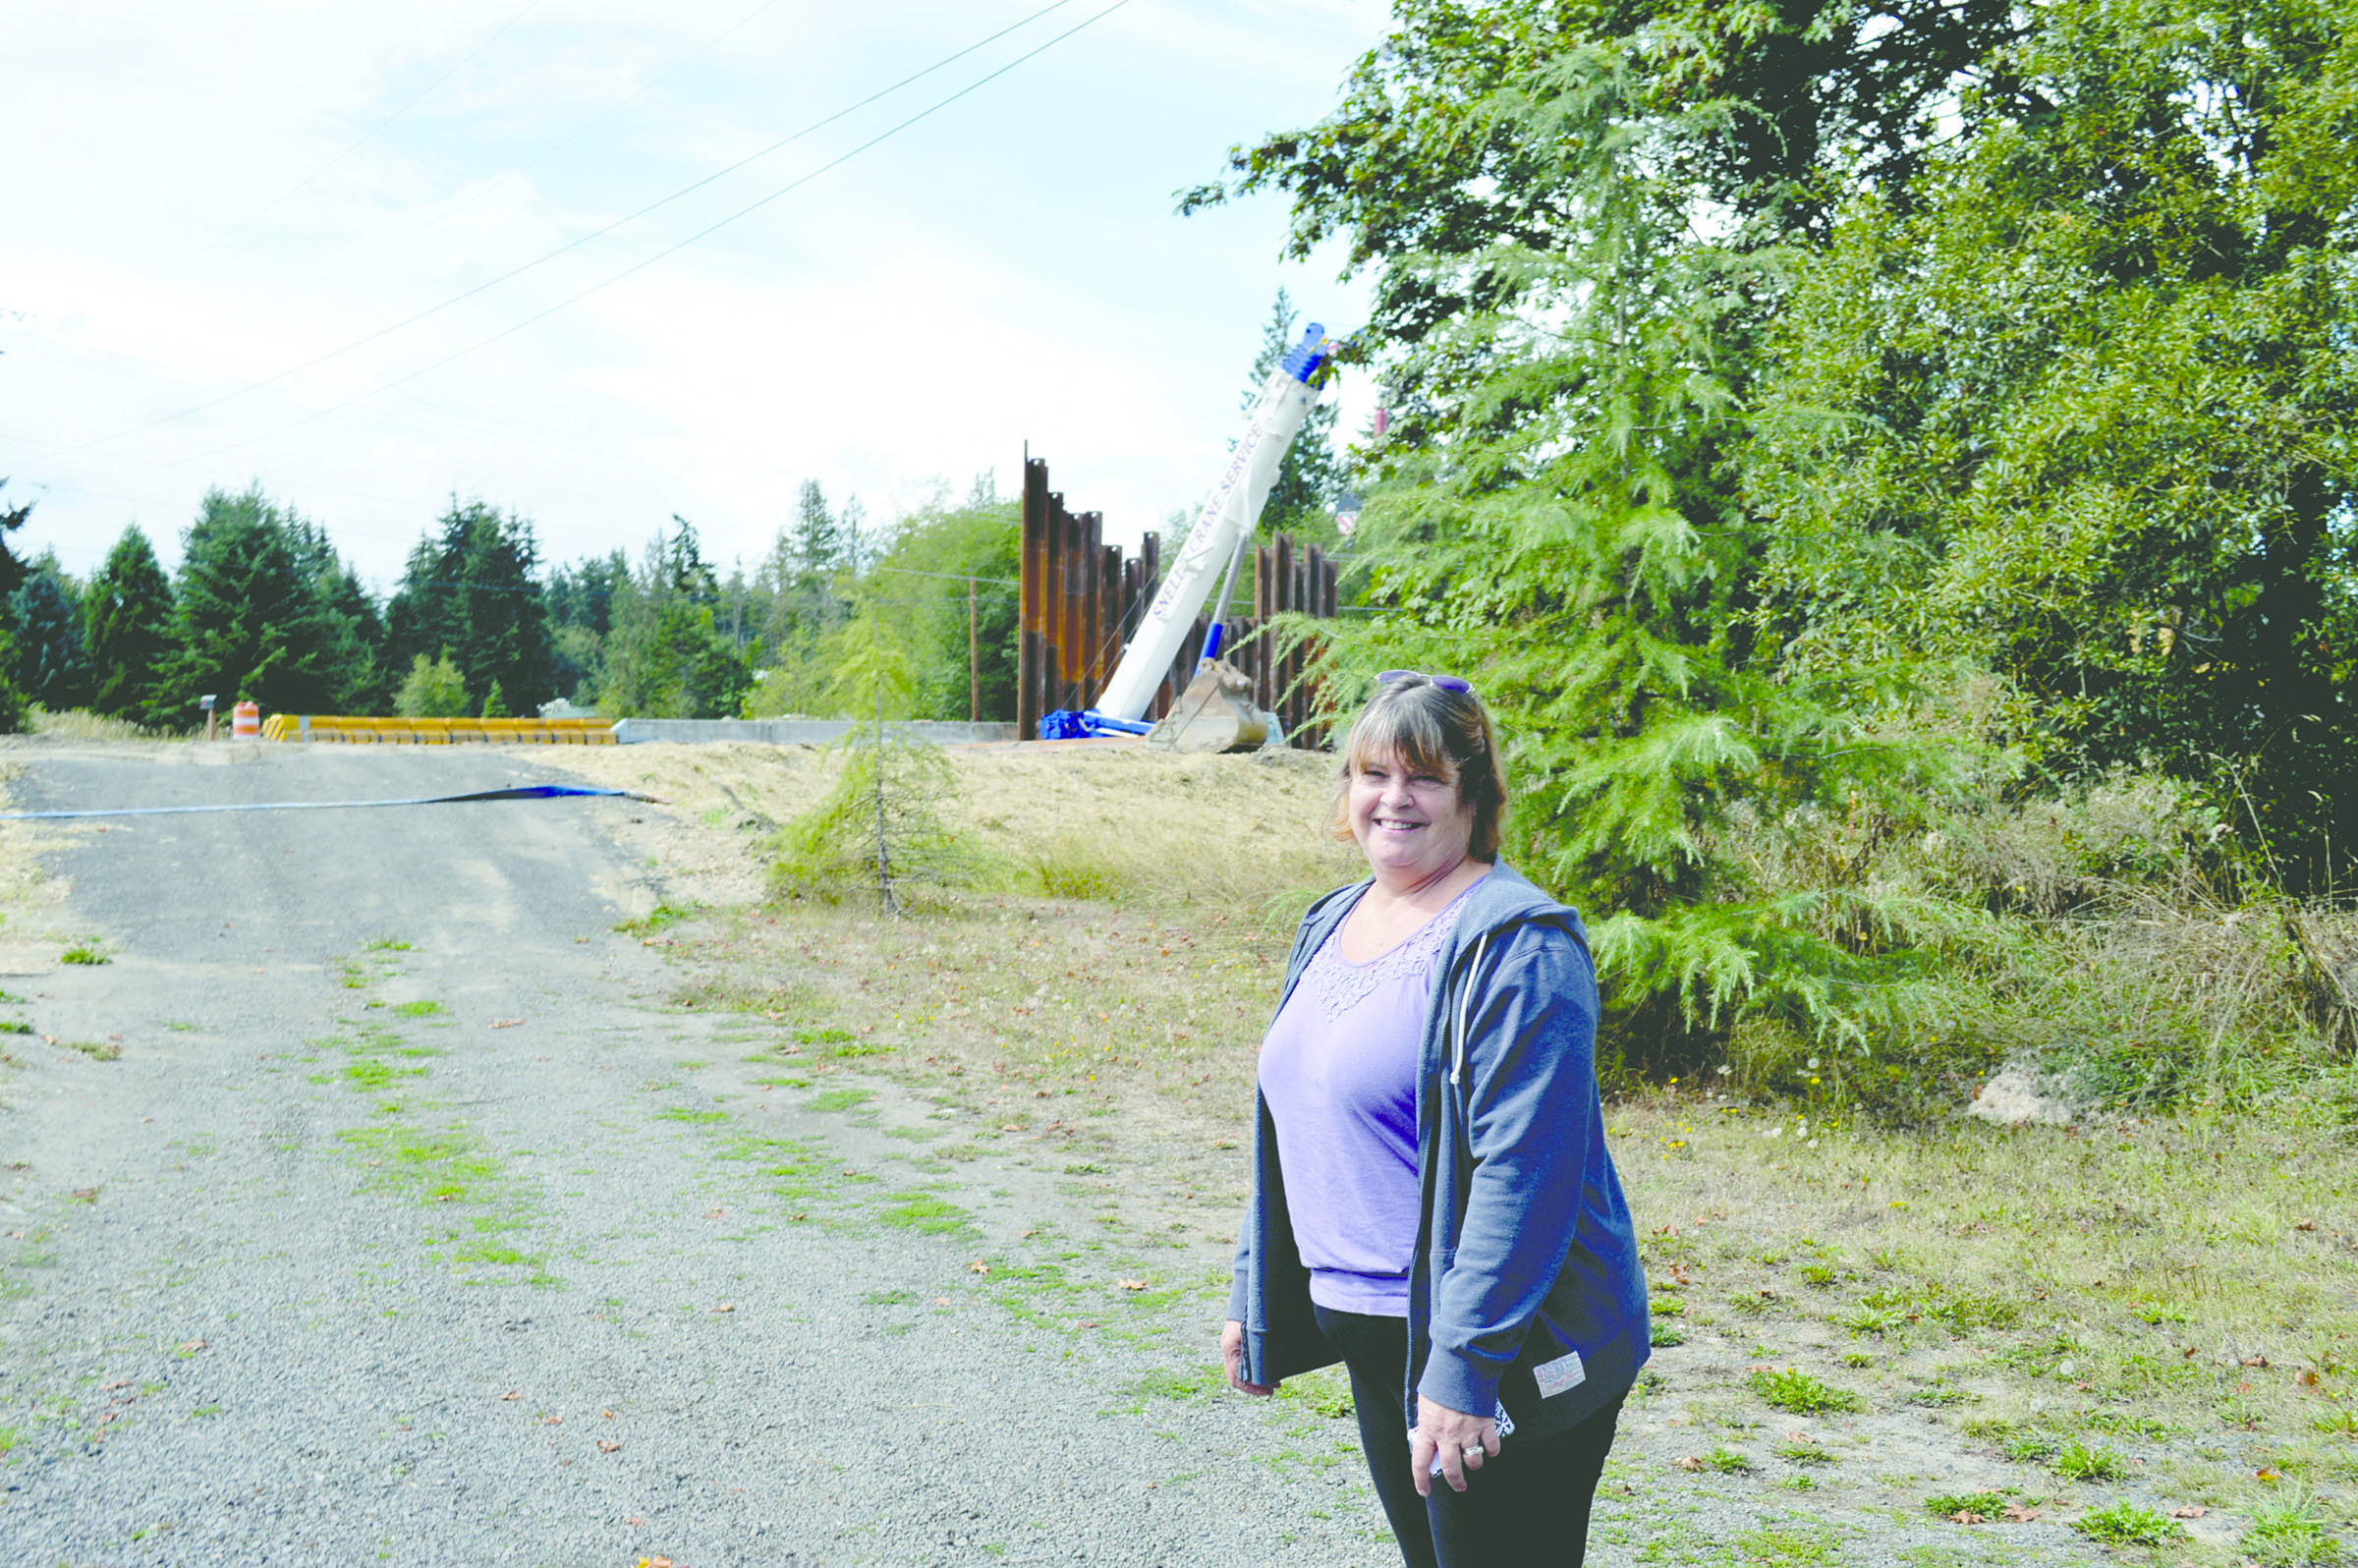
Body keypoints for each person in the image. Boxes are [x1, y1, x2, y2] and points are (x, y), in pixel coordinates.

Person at [1220, 670, 1649, 1567]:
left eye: (1423, 776)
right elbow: (1294, 1123)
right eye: (1373, 773)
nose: (1393, 798)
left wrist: (1461, 1372)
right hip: (1380, 1334)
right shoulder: (1334, 920)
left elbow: (1524, 1182)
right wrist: (1252, 1290)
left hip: (1497, 1345)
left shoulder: (1518, 946)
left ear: (1474, 793)